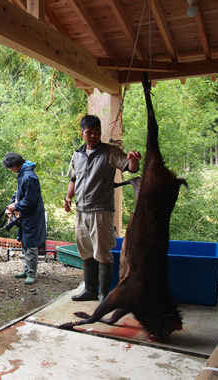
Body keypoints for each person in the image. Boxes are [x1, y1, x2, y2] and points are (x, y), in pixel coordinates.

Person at [63, 114, 141, 302]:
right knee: (86, 250)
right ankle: (90, 290)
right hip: (81, 211)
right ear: (82, 133)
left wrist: (133, 159)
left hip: (101, 211)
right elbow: (73, 179)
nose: (93, 136)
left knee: (103, 252)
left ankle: (104, 295)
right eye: (89, 132)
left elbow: (131, 168)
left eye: (97, 133)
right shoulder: (77, 154)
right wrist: (67, 198)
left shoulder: (110, 152)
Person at [3, 152, 46, 285]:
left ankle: (31, 273)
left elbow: (30, 201)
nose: (10, 171)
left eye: (10, 168)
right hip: (25, 214)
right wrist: (13, 203)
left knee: (31, 244)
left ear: (15, 166)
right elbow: (20, 193)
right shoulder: (23, 174)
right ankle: (27, 270)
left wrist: (16, 206)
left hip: (32, 215)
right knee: (25, 241)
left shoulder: (29, 177)